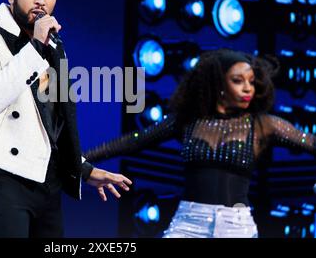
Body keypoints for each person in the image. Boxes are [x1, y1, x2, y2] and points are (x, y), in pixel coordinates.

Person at [0, 0, 132, 238]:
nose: (41, 0)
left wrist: (83, 169)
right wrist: (36, 46)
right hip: (1, 177)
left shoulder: (53, 44)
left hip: (47, 182)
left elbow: (53, 124)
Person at [85, 48, 315, 238]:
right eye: (238, 81)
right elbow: (132, 142)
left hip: (236, 226)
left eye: (252, 82)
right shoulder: (188, 121)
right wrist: (81, 160)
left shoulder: (264, 124)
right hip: (188, 222)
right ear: (219, 85)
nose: (248, 88)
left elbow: (310, 142)